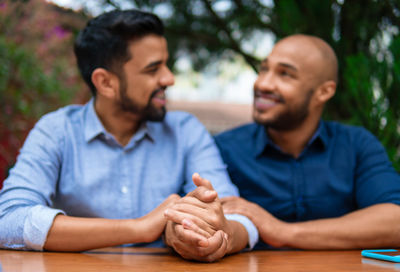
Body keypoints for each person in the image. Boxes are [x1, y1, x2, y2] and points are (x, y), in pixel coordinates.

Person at [0, 9, 257, 261]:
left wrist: (211, 237)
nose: (169, 78)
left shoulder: (186, 131)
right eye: (153, 69)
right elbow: (8, 219)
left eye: (166, 64)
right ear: (106, 83)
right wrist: (139, 227)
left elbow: (236, 216)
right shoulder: (56, 130)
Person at [212, 34, 400, 249]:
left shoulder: (356, 145)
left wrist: (280, 231)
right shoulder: (223, 149)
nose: (262, 83)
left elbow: (395, 220)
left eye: (285, 74)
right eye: (264, 69)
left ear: (324, 91)